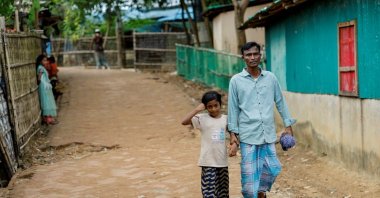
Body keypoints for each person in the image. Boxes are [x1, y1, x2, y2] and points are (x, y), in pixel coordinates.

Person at [228, 41, 296, 198]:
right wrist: (233, 135)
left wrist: (288, 124)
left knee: (272, 168)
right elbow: (233, 109)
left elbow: (280, 101)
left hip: (268, 135)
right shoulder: (236, 81)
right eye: (248, 55)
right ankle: (255, 193)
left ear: (260, 55)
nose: (252, 57)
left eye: (255, 54)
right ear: (243, 57)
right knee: (249, 181)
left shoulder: (270, 78)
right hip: (248, 136)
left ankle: (261, 192)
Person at [181, 91, 232, 198]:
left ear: (220, 104)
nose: (213, 109)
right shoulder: (202, 118)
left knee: (223, 192)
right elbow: (184, 122)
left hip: (222, 161)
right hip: (208, 161)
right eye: (209, 106)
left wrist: (234, 144)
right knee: (209, 192)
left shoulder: (226, 119)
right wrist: (196, 110)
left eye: (215, 105)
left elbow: (233, 133)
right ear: (205, 107)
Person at [36, 54, 58, 125]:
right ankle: (48, 119)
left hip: (45, 86)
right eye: (44, 60)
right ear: (40, 61)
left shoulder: (41, 67)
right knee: (46, 101)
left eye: (46, 60)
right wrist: (43, 83)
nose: (46, 62)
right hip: (44, 86)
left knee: (47, 101)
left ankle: (49, 118)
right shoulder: (41, 68)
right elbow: (39, 78)